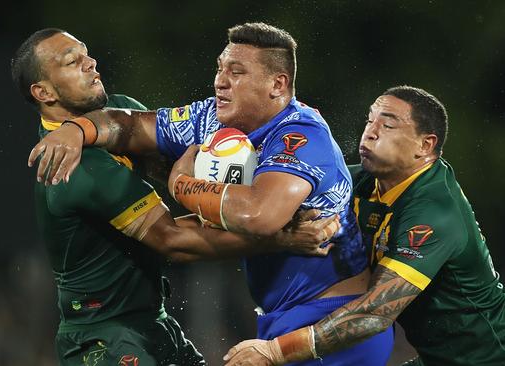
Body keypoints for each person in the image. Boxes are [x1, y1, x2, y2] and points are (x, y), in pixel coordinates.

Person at [27, 23, 394, 365]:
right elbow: (172, 238)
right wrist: (77, 131)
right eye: (220, 69)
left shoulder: (298, 136)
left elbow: (257, 216)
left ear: (278, 85)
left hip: (330, 320)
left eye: (236, 72)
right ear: (42, 92)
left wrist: (180, 182)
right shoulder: (78, 168)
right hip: (103, 332)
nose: (220, 81)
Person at [224, 86, 505, 366]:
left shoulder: (434, 209)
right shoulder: (358, 182)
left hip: (503, 359)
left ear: (425, 146)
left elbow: (375, 313)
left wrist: (274, 351)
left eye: (389, 125)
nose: (370, 130)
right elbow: (268, 200)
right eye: (370, 120)